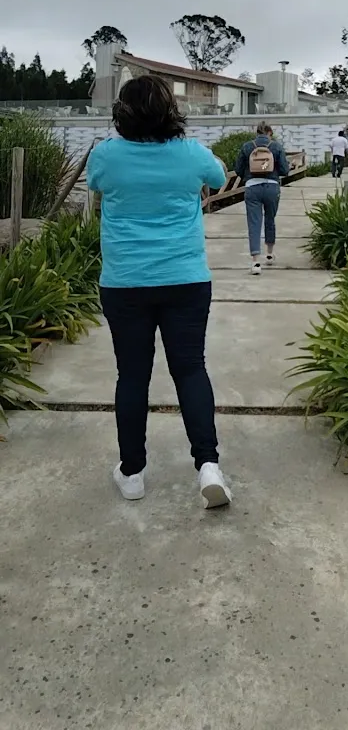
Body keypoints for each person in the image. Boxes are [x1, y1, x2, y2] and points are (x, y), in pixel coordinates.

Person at [87, 74, 233, 510]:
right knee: (190, 369)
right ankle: (207, 465)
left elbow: (95, 185)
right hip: (185, 279)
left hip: (125, 283)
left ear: (123, 113)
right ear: (170, 110)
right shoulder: (190, 153)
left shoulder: (107, 155)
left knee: (132, 375)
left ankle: (132, 473)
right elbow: (219, 176)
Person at [234, 122, 290, 275]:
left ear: (256, 132)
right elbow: (285, 171)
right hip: (272, 187)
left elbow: (238, 169)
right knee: (270, 219)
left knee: (254, 223)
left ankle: (255, 262)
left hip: (252, 188)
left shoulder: (247, 146)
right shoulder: (276, 146)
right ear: (270, 132)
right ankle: (270, 254)